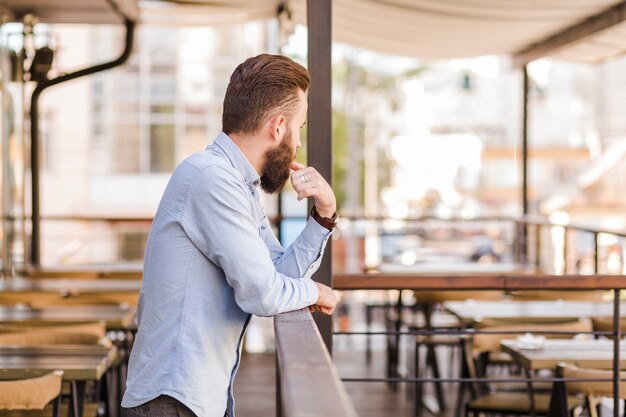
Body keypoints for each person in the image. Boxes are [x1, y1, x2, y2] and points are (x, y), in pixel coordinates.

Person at [121, 54, 338, 417]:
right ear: (279, 126)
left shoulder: (238, 185)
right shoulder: (211, 178)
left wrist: (324, 217)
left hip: (192, 398)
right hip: (172, 401)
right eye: (300, 127)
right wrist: (316, 291)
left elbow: (278, 276)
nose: (299, 143)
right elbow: (262, 293)